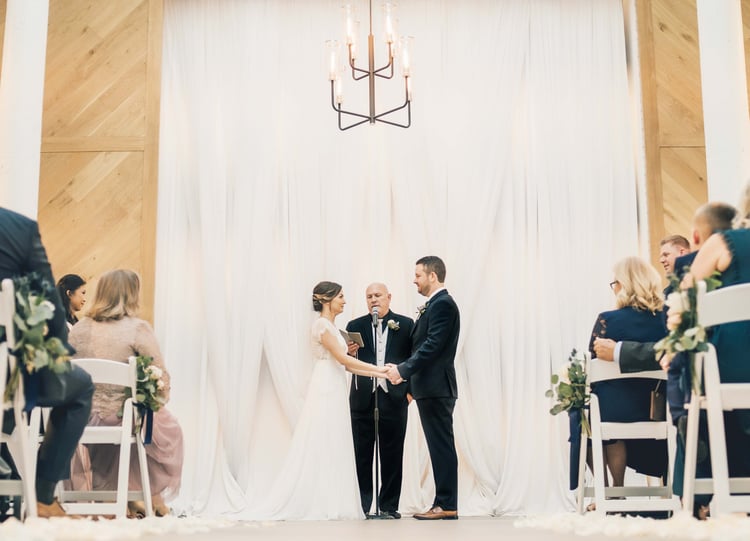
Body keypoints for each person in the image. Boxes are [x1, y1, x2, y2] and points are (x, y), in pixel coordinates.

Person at [258, 281, 389, 520]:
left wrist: (355, 358)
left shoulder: (330, 326)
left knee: (334, 441)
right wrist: (381, 371)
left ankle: (332, 498)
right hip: (327, 386)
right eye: (340, 296)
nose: (344, 301)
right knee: (324, 439)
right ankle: (322, 501)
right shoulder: (322, 325)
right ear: (326, 299)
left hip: (335, 383)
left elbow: (344, 359)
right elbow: (344, 362)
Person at [0, 207, 94, 518]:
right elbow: (49, 300)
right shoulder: (18, 228)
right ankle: (42, 497)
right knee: (80, 386)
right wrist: (58, 350)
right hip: (6, 375)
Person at [661, 188, 750, 517]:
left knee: (697, 374)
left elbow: (684, 300)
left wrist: (673, 339)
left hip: (733, 363)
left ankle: (703, 496)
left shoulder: (725, 241)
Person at [68, 269, 182, 517]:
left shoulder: (78, 329)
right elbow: (159, 374)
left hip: (79, 418)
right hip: (120, 418)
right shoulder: (137, 328)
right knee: (164, 427)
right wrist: (156, 399)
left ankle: (127, 499)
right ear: (130, 295)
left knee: (136, 421)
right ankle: (143, 498)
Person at [575, 257, 668, 501]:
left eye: (614, 283)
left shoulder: (608, 319)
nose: (614, 289)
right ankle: (617, 487)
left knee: (585, 413)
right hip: (656, 409)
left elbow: (592, 367)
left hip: (614, 413)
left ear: (625, 284)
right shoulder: (666, 319)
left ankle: (608, 489)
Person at [385, 256, 460, 520]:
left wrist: (403, 370)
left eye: (417, 275)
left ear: (433, 276)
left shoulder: (443, 305)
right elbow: (422, 346)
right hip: (429, 387)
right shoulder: (435, 305)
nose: (413, 279)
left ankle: (448, 505)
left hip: (438, 387)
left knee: (441, 446)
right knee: (438, 446)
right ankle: (443, 502)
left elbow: (431, 347)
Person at [346, 283, 414, 518]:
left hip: (395, 396)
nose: (373, 300)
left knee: (393, 454)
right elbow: (349, 361)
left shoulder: (405, 324)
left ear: (389, 297)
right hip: (363, 397)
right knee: (362, 453)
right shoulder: (355, 326)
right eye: (369, 296)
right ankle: (363, 505)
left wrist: (410, 392)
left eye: (378, 295)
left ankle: (388, 506)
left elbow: (416, 359)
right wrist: (350, 351)